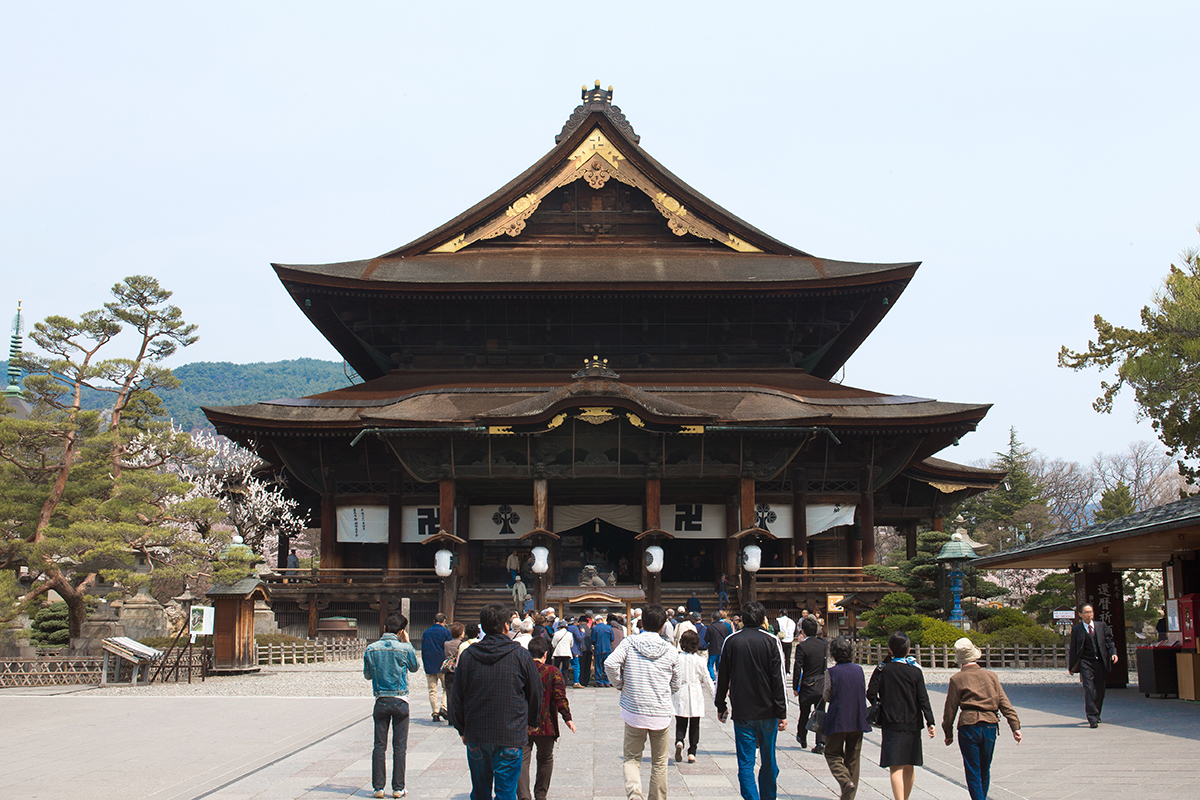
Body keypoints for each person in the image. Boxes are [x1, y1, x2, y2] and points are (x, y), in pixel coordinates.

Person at [449, 602, 542, 800]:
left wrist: (462, 728)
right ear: (506, 626)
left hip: (477, 731)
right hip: (510, 731)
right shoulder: (521, 655)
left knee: (480, 791)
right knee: (506, 792)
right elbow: (535, 692)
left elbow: (456, 696)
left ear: (482, 626)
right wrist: (533, 721)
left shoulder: (468, 655)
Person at [604, 604, 682, 800]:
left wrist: (620, 684)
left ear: (642, 623)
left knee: (632, 758)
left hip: (634, 710)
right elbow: (677, 681)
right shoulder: (670, 650)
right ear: (663, 626)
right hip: (660, 712)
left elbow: (610, 663)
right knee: (660, 762)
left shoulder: (630, 643)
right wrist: (666, 692)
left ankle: (635, 795)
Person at [714, 601, 788, 800]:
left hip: (742, 710)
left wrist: (720, 704)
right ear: (764, 619)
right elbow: (779, 679)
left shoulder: (731, 641)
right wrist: (782, 712)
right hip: (768, 710)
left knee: (746, 762)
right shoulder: (772, 641)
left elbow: (723, 676)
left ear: (743, 619)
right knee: (768, 759)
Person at [943, 637, 1022, 800]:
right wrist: (1015, 726)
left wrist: (948, 732)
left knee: (973, 769)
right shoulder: (991, 676)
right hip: (990, 725)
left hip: (968, 725)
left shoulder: (957, 679)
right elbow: (1004, 702)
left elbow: (950, 709)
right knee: (985, 769)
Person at [867, 631, 936, 800]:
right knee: (909, 764)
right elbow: (923, 699)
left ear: (889, 649)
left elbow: (870, 693)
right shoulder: (915, 672)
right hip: (912, 722)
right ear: (908, 649)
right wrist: (930, 721)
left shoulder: (883, 670)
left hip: (891, 721)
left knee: (895, 766)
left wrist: (881, 702)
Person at [364, 613, 421, 799]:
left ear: (384, 628)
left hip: (381, 699)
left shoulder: (372, 648)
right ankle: (398, 787)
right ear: (401, 631)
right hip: (400, 700)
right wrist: (408, 643)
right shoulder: (404, 648)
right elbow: (414, 667)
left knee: (379, 746)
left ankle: (378, 787)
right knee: (399, 746)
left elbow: (368, 675)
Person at [519, 636, 576, 800]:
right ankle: (541, 794)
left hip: (523, 723)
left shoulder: (521, 670)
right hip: (546, 724)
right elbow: (559, 697)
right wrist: (567, 717)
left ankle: (523, 796)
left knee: (522, 760)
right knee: (545, 759)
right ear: (545, 654)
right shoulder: (552, 671)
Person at [822, 636, 870, 800]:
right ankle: (849, 796)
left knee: (832, 753)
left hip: (838, 718)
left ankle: (845, 781)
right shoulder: (859, 670)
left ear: (833, 654)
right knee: (853, 758)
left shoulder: (831, 672)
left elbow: (827, 695)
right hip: (857, 717)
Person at [1067, 603, 1118, 727]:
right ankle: (1092, 717)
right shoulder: (1077, 629)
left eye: (1090, 612)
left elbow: (1109, 641)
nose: (1089, 615)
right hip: (1086, 662)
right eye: (1086, 612)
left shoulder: (1101, 626)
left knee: (1100, 690)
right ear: (1080, 614)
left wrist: (1113, 653)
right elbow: (1073, 648)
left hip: (1100, 662)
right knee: (1089, 689)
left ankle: (1097, 713)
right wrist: (1071, 666)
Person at [672, 629, 715, 764]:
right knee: (695, 724)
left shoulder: (677, 658)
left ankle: (679, 741)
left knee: (681, 721)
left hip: (681, 692)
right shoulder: (700, 660)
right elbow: (707, 679)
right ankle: (692, 752)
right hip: (695, 693)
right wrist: (715, 697)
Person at [793, 615, 827, 754]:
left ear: (803, 631)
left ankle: (802, 736)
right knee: (820, 712)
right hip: (821, 682)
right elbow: (824, 664)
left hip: (807, 683)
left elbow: (797, 667)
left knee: (804, 712)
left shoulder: (802, 646)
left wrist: (795, 686)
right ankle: (821, 742)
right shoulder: (823, 645)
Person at [422, 613, 452, 722]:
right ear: (444, 621)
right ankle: (443, 707)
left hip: (430, 663)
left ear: (434, 621)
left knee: (432, 690)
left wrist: (425, 663)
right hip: (442, 664)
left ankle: (435, 712)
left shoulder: (426, 633)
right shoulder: (446, 632)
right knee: (446, 687)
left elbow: (423, 649)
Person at [443, 622, 466, 710]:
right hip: (458, 671)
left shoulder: (446, 644)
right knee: (459, 695)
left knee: (449, 694)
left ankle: (450, 714)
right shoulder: (462, 644)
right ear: (460, 633)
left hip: (448, 671)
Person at [591, 613, 615, 687]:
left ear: (596, 621)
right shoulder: (609, 627)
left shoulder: (595, 628)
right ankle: (607, 681)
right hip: (608, 649)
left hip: (598, 649)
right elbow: (612, 638)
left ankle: (599, 682)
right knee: (607, 666)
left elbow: (593, 640)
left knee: (598, 666)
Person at [706, 611, 730, 680]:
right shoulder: (724, 627)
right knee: (720, 665)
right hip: (722, 648)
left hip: (713, 648)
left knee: (710, 664)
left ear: (712, 618)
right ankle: (719, 677)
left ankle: (712, 677)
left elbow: (707, 639)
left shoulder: (710, 627)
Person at [551, 621, 574, 685]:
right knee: (565, 670)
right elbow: (571, 644)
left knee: (556, 669)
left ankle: (556, 682)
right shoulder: (570, 634)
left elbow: (553, 644)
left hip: (558, 652)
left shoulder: (556, 634)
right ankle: (565, 683)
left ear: (559, 627)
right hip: (567, 653)